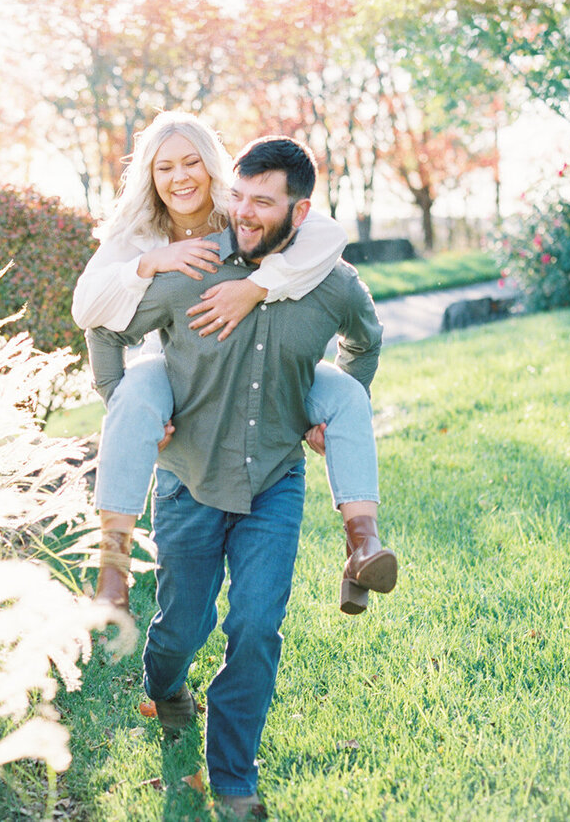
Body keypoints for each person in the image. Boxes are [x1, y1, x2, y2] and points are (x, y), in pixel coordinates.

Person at [87, 136, 387, 817]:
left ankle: (232, 777)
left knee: (255, 626)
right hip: (189, 478)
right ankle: (164, 684)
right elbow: (104, 327)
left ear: (299, 211)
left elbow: (365, 340)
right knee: (180, 630)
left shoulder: (332, 283)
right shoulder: (193, 270)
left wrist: (328, 413)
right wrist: (124, 405)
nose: (246, 214)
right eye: (240, 198)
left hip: (274, 483)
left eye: (264, 203)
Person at [72, 111, 395, 616]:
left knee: (349, 397)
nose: (180, 177)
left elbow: (326, 236)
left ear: (212, 165)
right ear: (149, 177)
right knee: (134, 395)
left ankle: (363, 545)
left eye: (192, 162)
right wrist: (148, 263)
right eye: (164, 168)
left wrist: (252, 288)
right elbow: (90, 313)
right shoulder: (137, 233)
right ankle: (111, 569)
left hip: (272, 372)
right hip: (178, 366)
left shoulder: (238, 206)